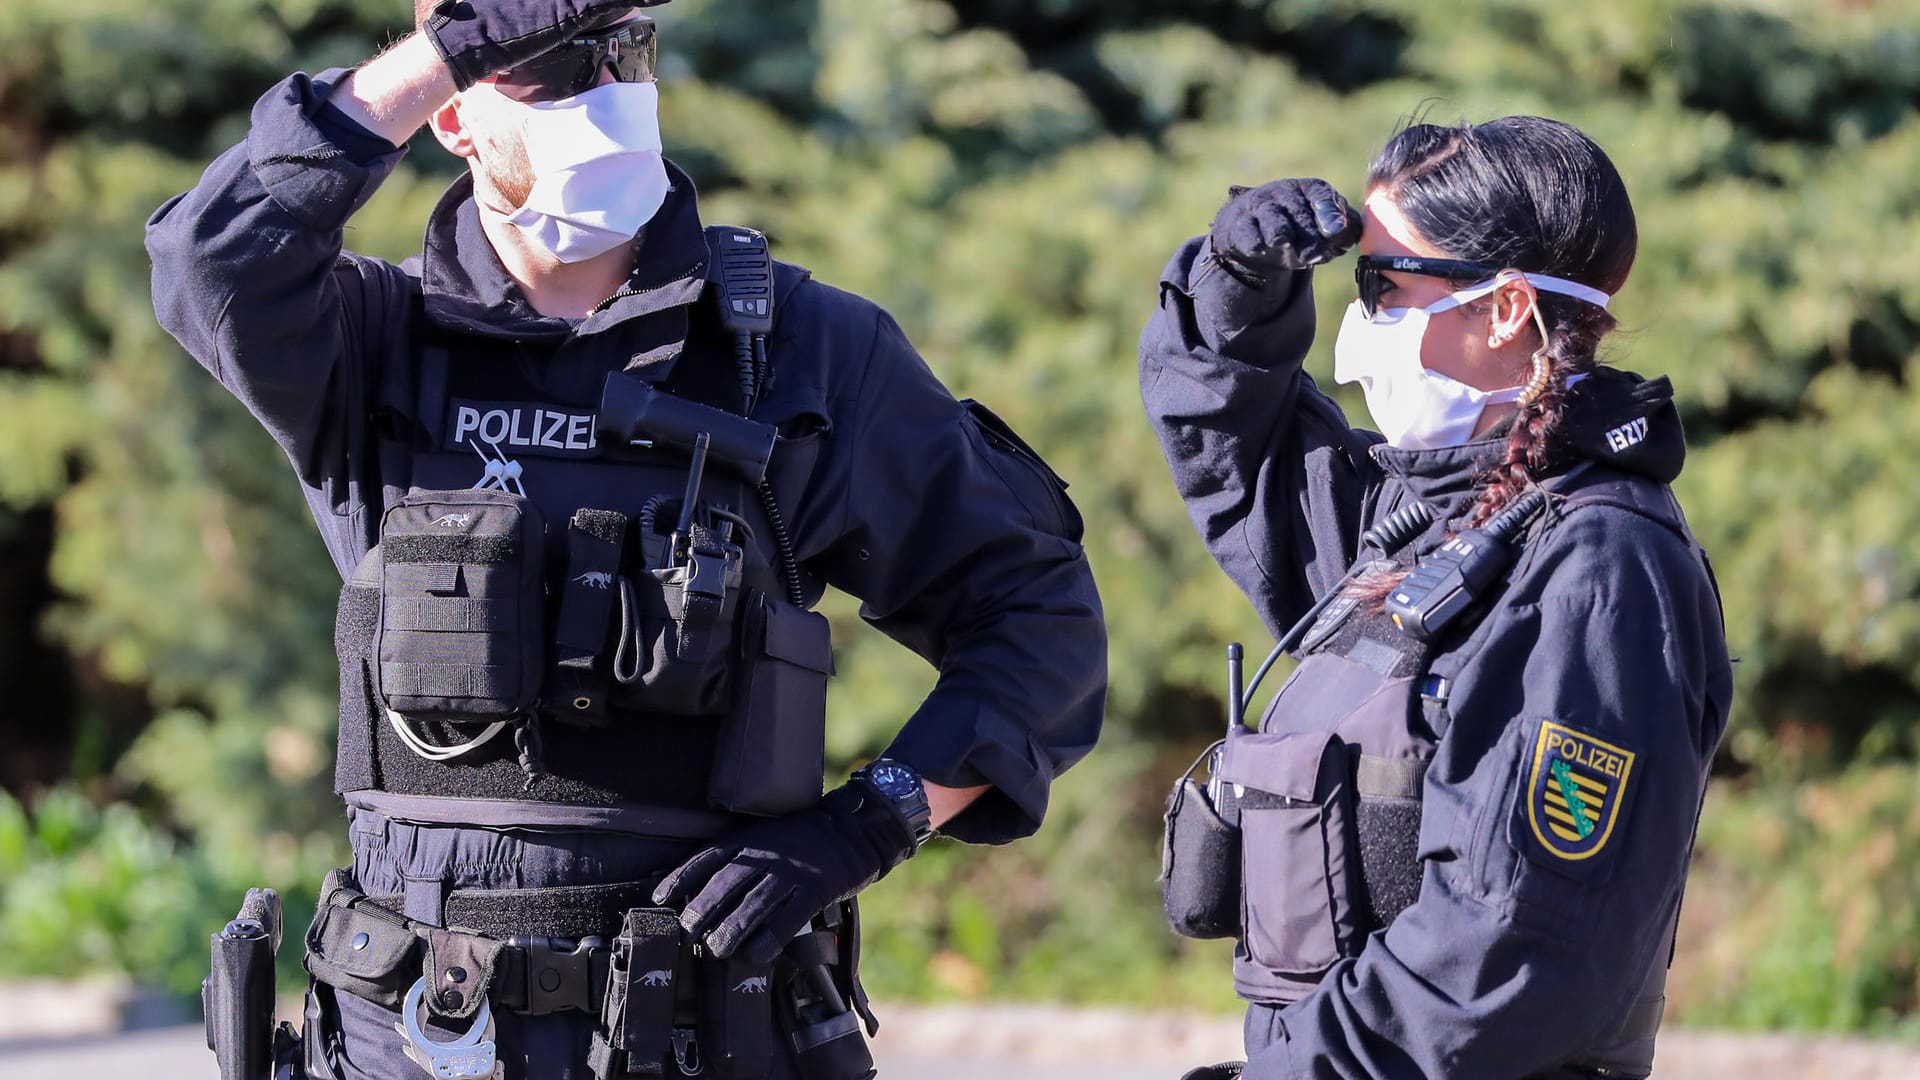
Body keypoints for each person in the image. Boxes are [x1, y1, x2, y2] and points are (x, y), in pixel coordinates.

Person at [147, 1, 1105, 1077]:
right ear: (452, 120)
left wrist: (868, 826)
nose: (599, 92)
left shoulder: (800, 349)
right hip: (404, 1031)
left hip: (698, 1023)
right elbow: (207, 257)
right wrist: (451, 48)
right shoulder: (369, 341)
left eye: (623, 50)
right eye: (540, 69)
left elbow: (1038, 619)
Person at [1140, 117, 1733, 1079]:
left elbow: (1508, 948)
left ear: (1504, 311)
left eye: (1383, 283)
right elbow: (1236, 460)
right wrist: (1237, 285)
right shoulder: (1426, 521)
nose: (1360, 315)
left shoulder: (1602, 569)